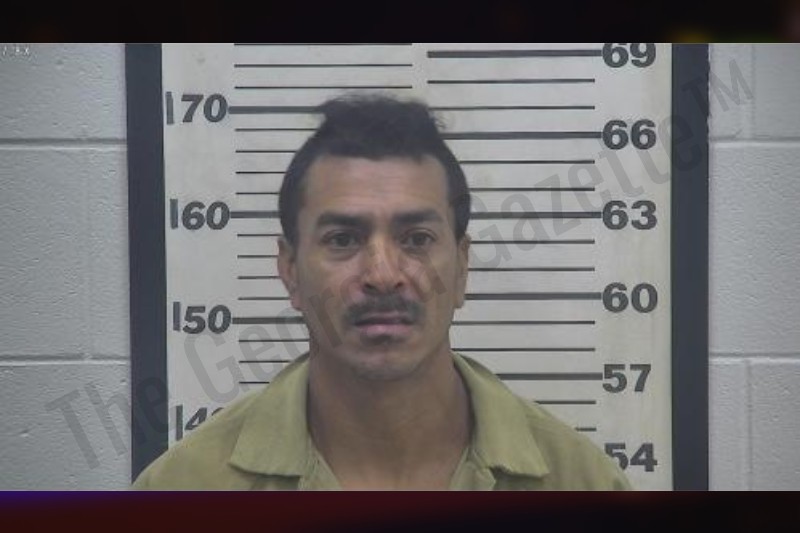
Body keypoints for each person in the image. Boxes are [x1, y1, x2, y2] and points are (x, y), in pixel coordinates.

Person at [133, 94, 631, 490]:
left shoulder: (582, 484)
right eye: (342, 240)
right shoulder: (183, 490)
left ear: (462, 267)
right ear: (289, 270)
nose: (383, 274)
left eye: (417, 239)